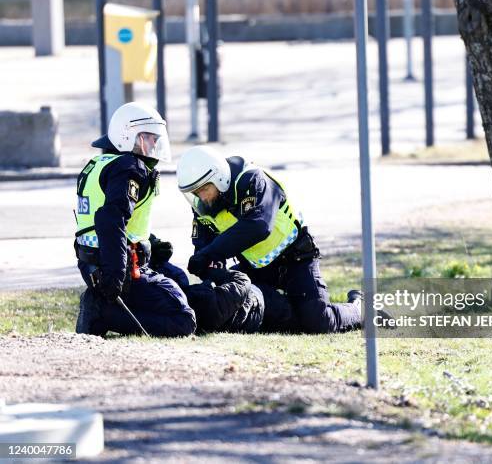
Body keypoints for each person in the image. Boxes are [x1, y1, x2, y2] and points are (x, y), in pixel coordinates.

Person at [176, 146, 363, 334]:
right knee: (274, 316)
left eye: (204, 189)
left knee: (319, 321)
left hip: (296, 259)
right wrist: (206, 264)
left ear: (219, 178)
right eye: (195, 192)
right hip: (255, 269)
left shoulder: (253, 180)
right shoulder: (204, 204)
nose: (201, 196)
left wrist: (210, 253)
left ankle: (360, 307)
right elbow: (204, 242)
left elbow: (258, 226)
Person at [74, 102, 196, 337]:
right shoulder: (130, 168)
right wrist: (115, 278)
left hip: (96, 264)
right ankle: (101, 312)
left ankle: (102, 304)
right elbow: (110, 219)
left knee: (179, 280)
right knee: (183, 320)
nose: (154, 144)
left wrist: (149, 243)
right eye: (150, 138)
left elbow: (112, 219)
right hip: (118, 270)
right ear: (131, 136)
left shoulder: (103, 164)